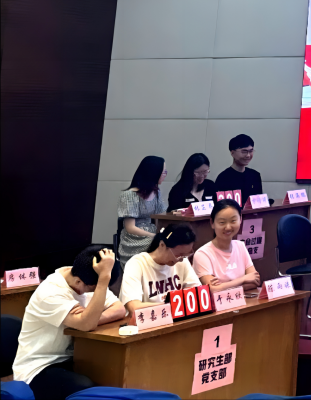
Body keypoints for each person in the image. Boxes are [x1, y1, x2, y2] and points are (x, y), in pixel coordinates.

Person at [12, 247, 126, 399]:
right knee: (85, 390)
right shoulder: (50, 292)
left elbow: (119, 309)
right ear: (78, 281)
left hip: (73, 359)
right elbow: (86, 325)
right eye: (96, 288)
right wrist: (87, 318)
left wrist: (92, 317)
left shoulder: (87, 279)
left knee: (110, 376)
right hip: (39, 367)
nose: (96, 293)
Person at [119, 223, 200, 312]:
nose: (180, 259)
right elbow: (133, 307)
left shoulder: (182, 261)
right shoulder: (137, 264)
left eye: (185, 255)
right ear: (162, 245)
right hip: (148, 319)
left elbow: (197, 293)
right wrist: (169, 304)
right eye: (178, 255)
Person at [192, 199, 261, 292]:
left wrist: (223, 286)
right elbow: (212, 290)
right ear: (212, 223)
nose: (228, 227)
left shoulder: (240, 246)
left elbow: (255, 281)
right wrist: (243, 279)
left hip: (243, 299)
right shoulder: (202, 254)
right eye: (222, 222)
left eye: (233, 221)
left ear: (240, 219)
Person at [117, 155, 166, 266]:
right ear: (154, 173)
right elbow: (130, 228)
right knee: (158, 244)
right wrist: (153, 236)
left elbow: (161, 216)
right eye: (163, 173)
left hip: (152, 231)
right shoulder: (129, 195)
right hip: (134, 237)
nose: (165, 176)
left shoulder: (156, 193)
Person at [215, 133, 264, 199]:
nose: (248, 155)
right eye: (244, 151)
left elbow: (259, 202)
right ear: (232, 153)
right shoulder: (223, 178)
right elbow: (222, 204)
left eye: (251, 151)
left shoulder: (255, 175)